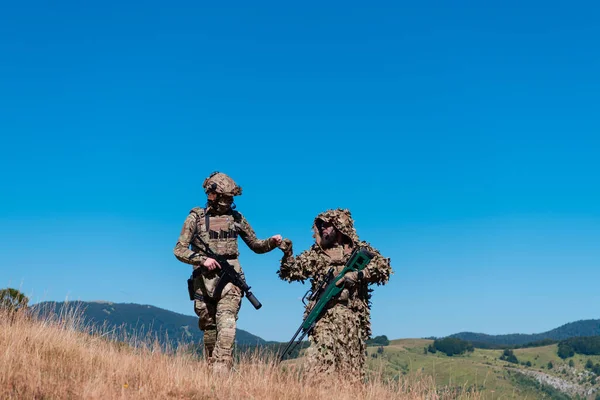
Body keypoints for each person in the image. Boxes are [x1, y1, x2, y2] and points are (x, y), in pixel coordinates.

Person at [174, 171, 282, 373]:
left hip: (230, 281)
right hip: (203, 283)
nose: (229, 202)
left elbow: (256, 245)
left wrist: (272, 243)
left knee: (227, 326)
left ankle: (221, 373)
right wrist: (202, 260)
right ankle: (211, 374)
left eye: (231, 198)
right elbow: (178, 250)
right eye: (226, 198)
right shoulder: (195, 218)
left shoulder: (236, 218)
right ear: (213, 195)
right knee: (210, 330)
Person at [278, 208, 392, 382]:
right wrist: (287, 254)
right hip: (323, 317)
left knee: (351, 372)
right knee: (320, 367)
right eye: (321, 225)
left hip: (352, 318)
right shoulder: (316, 254)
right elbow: (290, 272)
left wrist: (359, 275)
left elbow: (383, 268)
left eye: (327, 225)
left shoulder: (358, 250)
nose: (323, 228)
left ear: (340, 227)